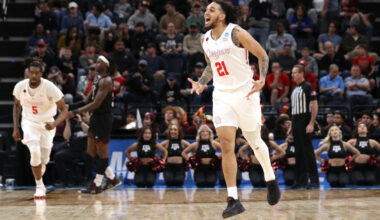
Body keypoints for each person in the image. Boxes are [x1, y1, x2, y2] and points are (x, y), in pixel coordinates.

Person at [187, 1, 280, 218]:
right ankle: (233, 199)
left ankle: (270, 178)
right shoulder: (204, 39)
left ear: (222, 16)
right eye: (205, 10)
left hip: (245, 93)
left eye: (211, 9)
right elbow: (212, 66)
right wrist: (202, 82)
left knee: (255, 141)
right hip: (221, 95)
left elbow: (262, 54)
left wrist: (263, 79)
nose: (205, 13)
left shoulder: (236, 33)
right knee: (227, 144)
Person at [12, 60, 68, 199]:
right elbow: (17, 105)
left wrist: (55, 124)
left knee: (44, 159)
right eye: (32, 72)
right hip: (29, 123)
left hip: (47, 124)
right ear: (28, 72)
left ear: (42, 73)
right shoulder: (20, 86)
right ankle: (39, 186)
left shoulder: (50, 87)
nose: (34, 75)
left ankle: (41, 168)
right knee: (34, 152)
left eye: (37, 73)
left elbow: (64, 109)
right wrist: (16, 127)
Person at [67, 56, 121, 194]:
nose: (95, 64)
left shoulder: (107, 80)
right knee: (91, 151)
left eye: (98, 62)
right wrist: (70, 106)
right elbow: (87, 99)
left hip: (104, 118)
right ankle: (112, 178)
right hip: (96, 117)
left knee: (102, 152)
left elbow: (96, 104)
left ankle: (97, 184)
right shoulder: (97, 78)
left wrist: (75, 112)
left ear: (106, 65)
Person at [290, 64, 319, 189]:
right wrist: (292, 125)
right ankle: (301, 181)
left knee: (308, 152)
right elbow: (294, 108)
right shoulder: (295, 88)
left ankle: (314, 181)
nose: (293, 74)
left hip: (305, 120)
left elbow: (314, 105)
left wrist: (311, 123)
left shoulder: (308, 87)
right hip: (296, 121)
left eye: (295, 72)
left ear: (302, 73)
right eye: (292, 72)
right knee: (299, 152)